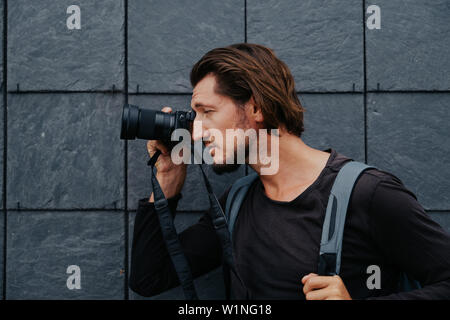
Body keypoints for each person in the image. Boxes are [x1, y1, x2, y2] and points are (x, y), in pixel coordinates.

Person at [129, 43, 450, 299]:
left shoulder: (368, 194)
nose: (196, 133)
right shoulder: (235, 204)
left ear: (256, 107)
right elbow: (149, 278)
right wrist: (168, 178)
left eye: (208, 112)